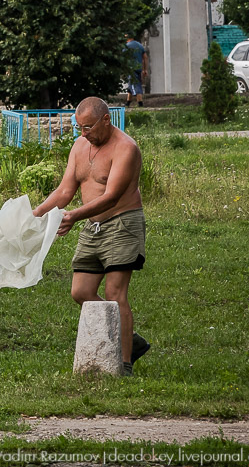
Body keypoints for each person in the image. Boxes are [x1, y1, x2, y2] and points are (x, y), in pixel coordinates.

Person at [32, 96, 150, 376]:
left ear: (106, 120)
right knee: (81, 292)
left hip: (122, 223)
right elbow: (65, 191)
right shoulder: (79, 146)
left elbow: (111, 196)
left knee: (114, 294)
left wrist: (74, 216)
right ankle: (129, 337)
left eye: (88, 127)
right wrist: (35, 214)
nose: (83, 133)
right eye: (79, 127)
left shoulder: (126, 148)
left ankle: (124, 364)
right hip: (92, 227)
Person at [123, 35, 147, 107]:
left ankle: (140, 103)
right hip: (138, 69)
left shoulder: (127, 46)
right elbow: (145, 57)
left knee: (135, 86)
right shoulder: (139, 45)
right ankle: (128, 102)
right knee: (131, 85)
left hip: (131, 69)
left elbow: (123, 58)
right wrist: (145, 69)